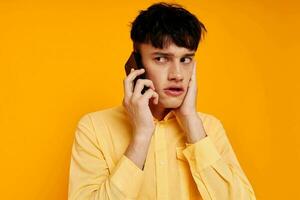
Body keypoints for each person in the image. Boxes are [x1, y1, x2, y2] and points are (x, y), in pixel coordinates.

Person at [68, 2, 256, 200]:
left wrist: (192, 123)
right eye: (161, 59)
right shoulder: (94, 128)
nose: (177, 75)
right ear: (136, 65)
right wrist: (141, 136)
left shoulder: (210, 128)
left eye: (185, 60)